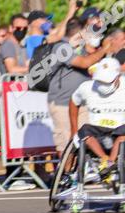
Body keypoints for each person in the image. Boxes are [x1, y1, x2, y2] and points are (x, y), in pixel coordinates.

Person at [47, 17, 110, 155]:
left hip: (82, 103)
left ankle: (82, 172)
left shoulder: (83, 48)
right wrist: (105, 49)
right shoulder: (61, 47)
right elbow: (84, 63)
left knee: (87, 139)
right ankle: (66, 174)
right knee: (67, 144)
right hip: (62, 104)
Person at [69, 57, 125, 183]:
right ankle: (105, 161)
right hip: (96, 132)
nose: (103, 85)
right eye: (101, 81)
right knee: (83, 131)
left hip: (119, 131)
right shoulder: (86, 87)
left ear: (117, 77)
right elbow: (73, 102)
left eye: (107, 81)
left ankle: (110, 164)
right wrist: (73, 129)